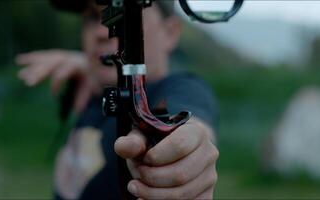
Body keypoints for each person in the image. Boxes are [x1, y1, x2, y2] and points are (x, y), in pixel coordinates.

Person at [16, 1, 219, 199]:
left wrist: (190, 158)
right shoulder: (94, 87)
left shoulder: (181, 88)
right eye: (91, 17)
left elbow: (191, 126)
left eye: (122, 13)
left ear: (170, 32)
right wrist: (85, 65)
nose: (100, 32)